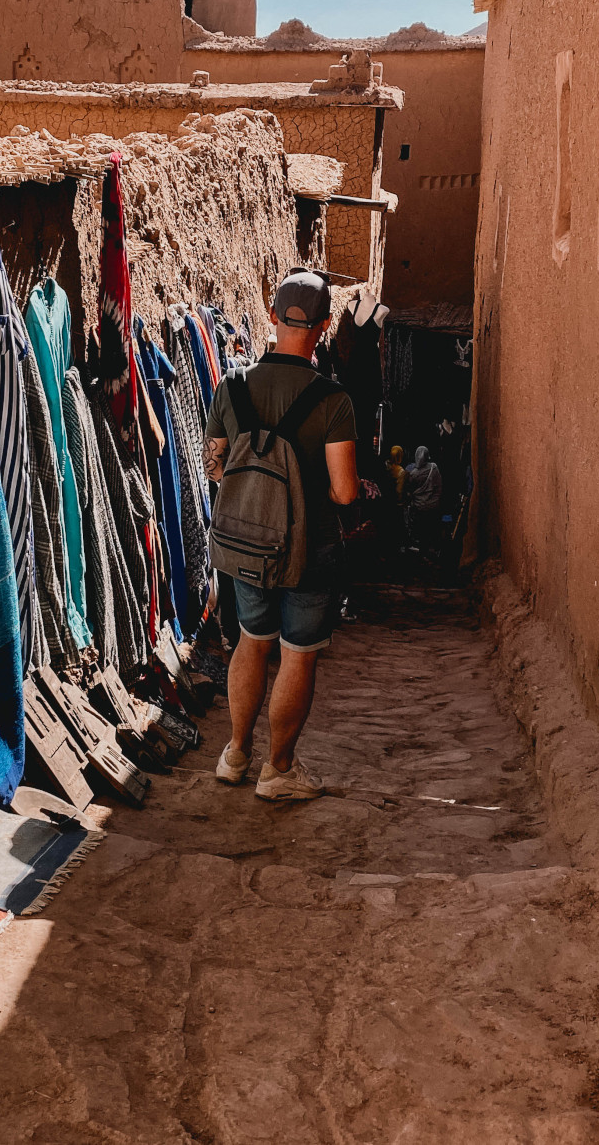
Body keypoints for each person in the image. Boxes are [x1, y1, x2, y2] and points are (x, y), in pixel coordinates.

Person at [202, 269, 359, 801]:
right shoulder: (334, 402)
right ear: (326, 326)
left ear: (272, 316)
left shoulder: (232, 385)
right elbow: (343, 492)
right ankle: (279, 770)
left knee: (251, 640)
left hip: (244, 544)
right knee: (297, 653)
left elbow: (215, 469)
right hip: (309, 551)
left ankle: (236, 753)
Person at [404, 444, 442, 555]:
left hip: (420, 506)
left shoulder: (414, 474)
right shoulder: (434, 468)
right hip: (434, 505)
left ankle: (423, 551)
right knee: (432, 527)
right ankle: (434, 549)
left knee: (422, 529)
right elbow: (439, 486)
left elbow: (409, 490)